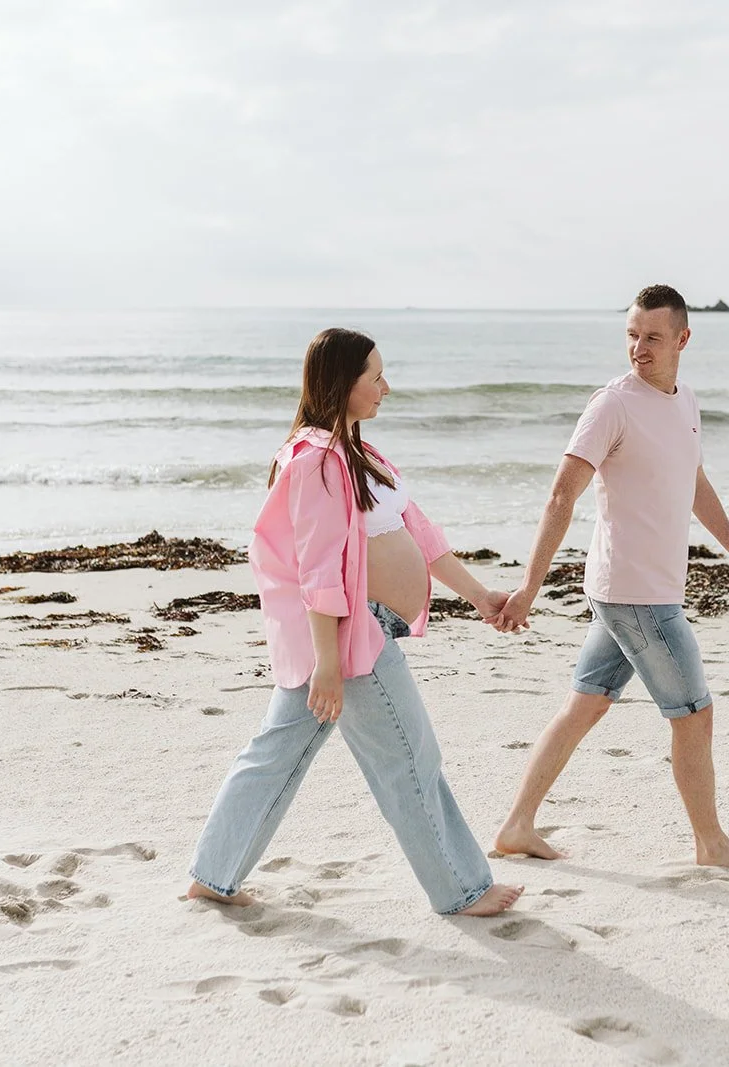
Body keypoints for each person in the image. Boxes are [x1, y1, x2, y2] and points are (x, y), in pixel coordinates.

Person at [186, 327, 523, 917]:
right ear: (344, 382)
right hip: (348, 638)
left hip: (353, 635)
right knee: (409, 762)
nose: (386, 388)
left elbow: (419, 533)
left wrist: (477, 595)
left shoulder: (360, 455)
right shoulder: (317, 460)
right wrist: (328, 664)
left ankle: (213, 877)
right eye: (376, 377)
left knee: (276, 756)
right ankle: (462, 890)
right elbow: (317, 570)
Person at [492, 284, 729, 872]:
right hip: (635, 594)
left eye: (651, 337)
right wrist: (530, 588)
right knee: (694, 713)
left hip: (637, 588)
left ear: (682, 338)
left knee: (586, 705)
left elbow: (694, 483)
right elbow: (560, 496)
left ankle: (517, 825)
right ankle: (711, 843)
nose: (638, 348)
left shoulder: (686, 402)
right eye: (631, 336)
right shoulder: (612, 405)